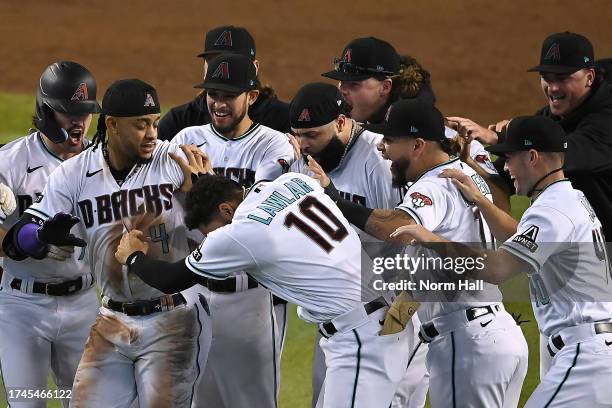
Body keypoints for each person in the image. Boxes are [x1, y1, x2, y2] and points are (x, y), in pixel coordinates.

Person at [114, 172, 412, 408]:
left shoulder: (241, 232)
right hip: (388, 314)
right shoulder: (295, 181)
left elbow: (171, 279)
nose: (213, 238)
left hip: (361, 336)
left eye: (212, 230)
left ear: (226, 210)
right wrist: (208, 180)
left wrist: (134, 257)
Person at [2, 79, 211, 407]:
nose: (152, 134)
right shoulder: (73, 174)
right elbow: (22, 235)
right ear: (112, 125)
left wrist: (201, 190)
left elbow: (221, 220)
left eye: (155, 123)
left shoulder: (173, 161)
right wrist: (39, 237)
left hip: (174, 317)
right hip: (112, 320)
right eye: (141, 125)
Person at [309, 98, 528, 408]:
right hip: (496, 335)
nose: (382, 148)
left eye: (390, 140)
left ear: (417, 145)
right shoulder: (465, 172)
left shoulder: (433, 186)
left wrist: (332, 200)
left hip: (467, 344)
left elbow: (395, 228)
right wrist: (389, 334)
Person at [393, 115, 612, 407]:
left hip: (588, 356)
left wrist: (430, 239)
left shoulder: (552, 210)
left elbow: (498, 268)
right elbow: (519, 239)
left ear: (532, 157)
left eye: (509, 158)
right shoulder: (570, 198)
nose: (506, 168)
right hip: (592, 347)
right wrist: (482, 201)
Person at [287, 82, 427, 408]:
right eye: (298, 135)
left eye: (312, 136)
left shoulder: (380, 160)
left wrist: (398, 324)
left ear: (340, 123)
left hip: (392, 319)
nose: (304, 146)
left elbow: (414, 243)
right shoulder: (304, 162)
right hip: (340, 323)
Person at [171, 53, 294, 408]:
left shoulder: (274, 145)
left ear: (252, 96)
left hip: (251, 298)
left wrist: (203, 186)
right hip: (193, 293)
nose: (218, 103)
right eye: (212, 93)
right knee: (196, 400)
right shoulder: (186, 138)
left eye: (229, 95)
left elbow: (254, 215)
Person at [0, 61, 101, 408]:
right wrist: (29, 241)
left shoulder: (102, 163)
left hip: (85, 304)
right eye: (67, 112)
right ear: (45, 111)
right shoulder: (9, 163)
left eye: (85, 112)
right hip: (22, 307)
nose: (79, 121)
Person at [449, 32, 612, 239]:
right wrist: (465, 162)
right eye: (546, 77)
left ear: (589, 77)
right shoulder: (548, 118)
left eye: (563, 78)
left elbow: (565, 156)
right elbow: (506, 175)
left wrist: (500, 138)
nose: (553, 88)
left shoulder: (606, 116)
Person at [323, 37, 505, 213]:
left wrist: (469, 165)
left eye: (354, 84)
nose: (342, 90)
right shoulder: (349, 128)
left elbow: (503, 208)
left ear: (385, 87)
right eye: (342, 81)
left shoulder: (451, 140)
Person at [158, 25, 290, 140]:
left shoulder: (285, 120)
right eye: (213, 60)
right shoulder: (179, 122)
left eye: (233, 61)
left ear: (254, 68)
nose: (221, 68)